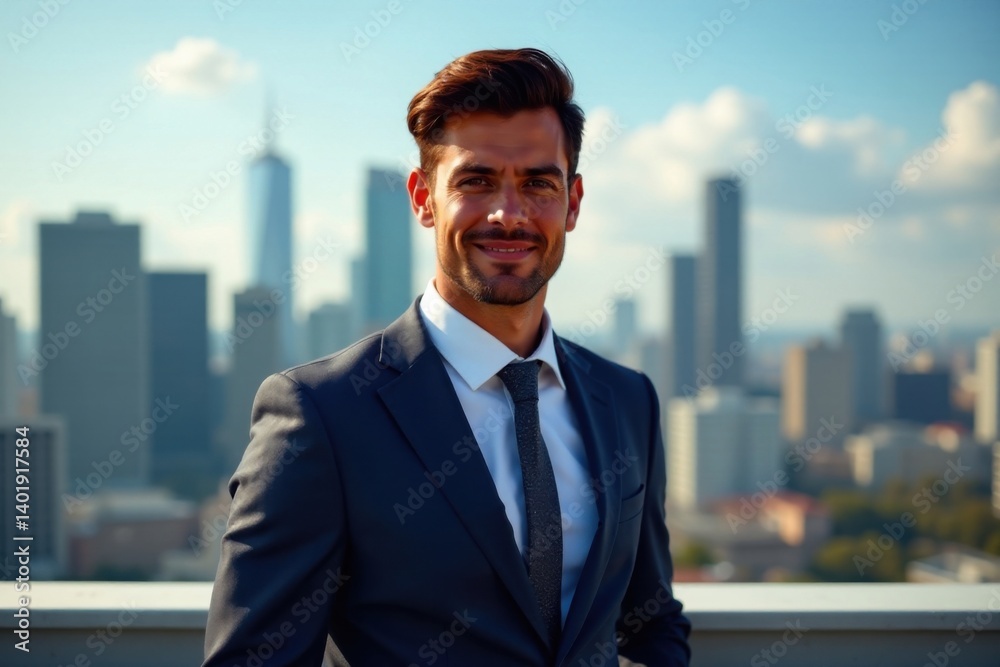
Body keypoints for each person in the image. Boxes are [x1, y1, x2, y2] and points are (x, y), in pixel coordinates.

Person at [203, 47, 691, 667]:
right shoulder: (321, 414)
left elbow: (649, 618)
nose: (508, 214)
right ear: (423, 198)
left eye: (538, 183)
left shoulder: (628, 400)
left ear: (572, 202)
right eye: (476, 181)